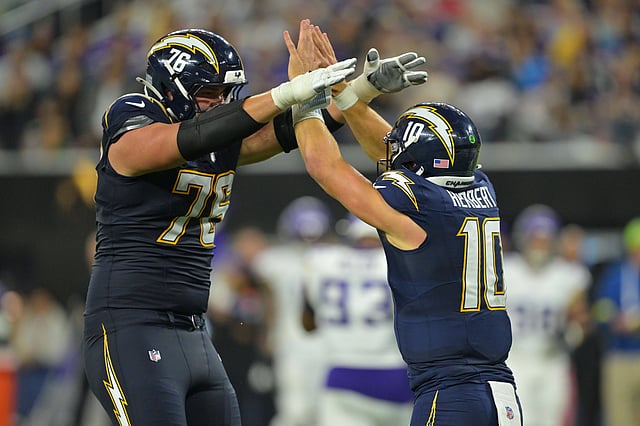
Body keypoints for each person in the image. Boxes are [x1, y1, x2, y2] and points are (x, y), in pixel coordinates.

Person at [81, 20, 359, 426]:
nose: (222, 102)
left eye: (229, 93)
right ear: (172, 87)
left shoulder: (214, 137)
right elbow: (183, 140)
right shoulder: (133, 115)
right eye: (210, 93)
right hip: (130, 326)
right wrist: (283, 93)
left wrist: (357, 92)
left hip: (194, 331)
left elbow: (282, 134)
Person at [284, 25, 522, 425]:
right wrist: (346, 92)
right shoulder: (480, 187)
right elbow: (398, 155)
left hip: (450, 394)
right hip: (502, 393)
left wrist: (303, 97)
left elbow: (325, 166)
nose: (391, 154)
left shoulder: (417, 209)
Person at [301, 214, 413, 426]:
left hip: (342, 377)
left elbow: (308, 324)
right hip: (394, 376)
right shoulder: (400, 262)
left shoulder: (322, 261)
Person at [502, 204, 591, 426]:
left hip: (553, 360)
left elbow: (580, 318)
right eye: (535, 239)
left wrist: (576, 330)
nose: (539, 245)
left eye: (545, 240)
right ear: (523, 239)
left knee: (553, 420)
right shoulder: (507, 269)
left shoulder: (568, 275)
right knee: (520, 419)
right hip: (516, 359)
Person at [593, 217, 640, 426]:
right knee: (619, 417)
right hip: (620, 354)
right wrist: (614, 319)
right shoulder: (616, 275)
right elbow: (601, 309)